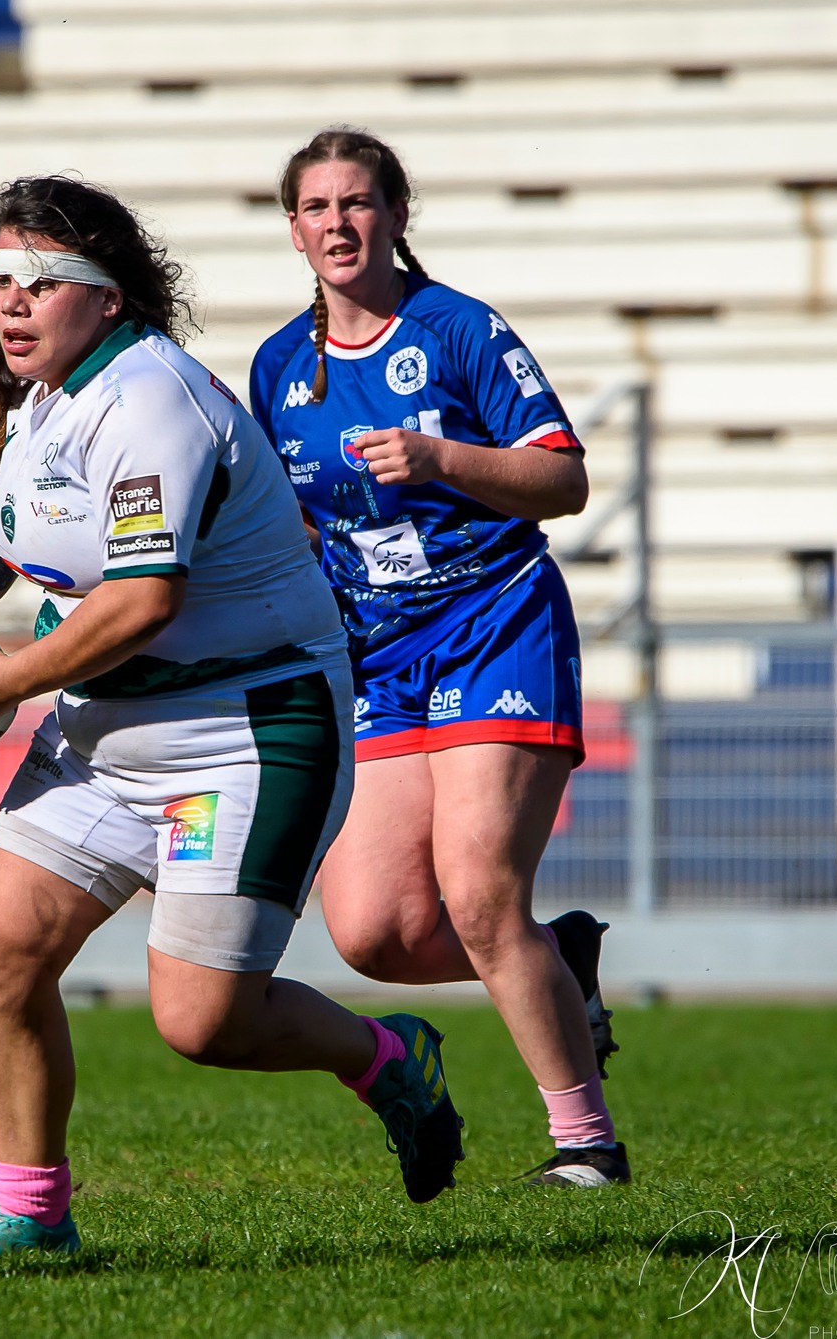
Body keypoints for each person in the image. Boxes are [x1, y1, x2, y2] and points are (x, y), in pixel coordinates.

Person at [0, 176, 465, 1263]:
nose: (12, 300)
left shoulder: (149, 401)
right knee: (2, 952)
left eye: (43, 280)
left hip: (243, 728)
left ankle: (388, 1056)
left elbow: (140, 602)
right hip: (104, 729)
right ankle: (33, 1214)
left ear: (109, 297)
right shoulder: (45, 400)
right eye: (1, 279)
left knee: (203, 1021)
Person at [247, 127, 628, 1188]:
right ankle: (559, 959)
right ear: (292, 231)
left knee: (478, 894)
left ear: (396, 215)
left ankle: (584, 1142)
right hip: (374, 653)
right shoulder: (278, 366)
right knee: (373, 931)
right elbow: (288, 524)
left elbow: (563, 480)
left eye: (356, 201)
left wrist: (439, 458)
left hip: (492, 621)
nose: (337, 223)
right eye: (316, 207)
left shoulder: (458, 329)